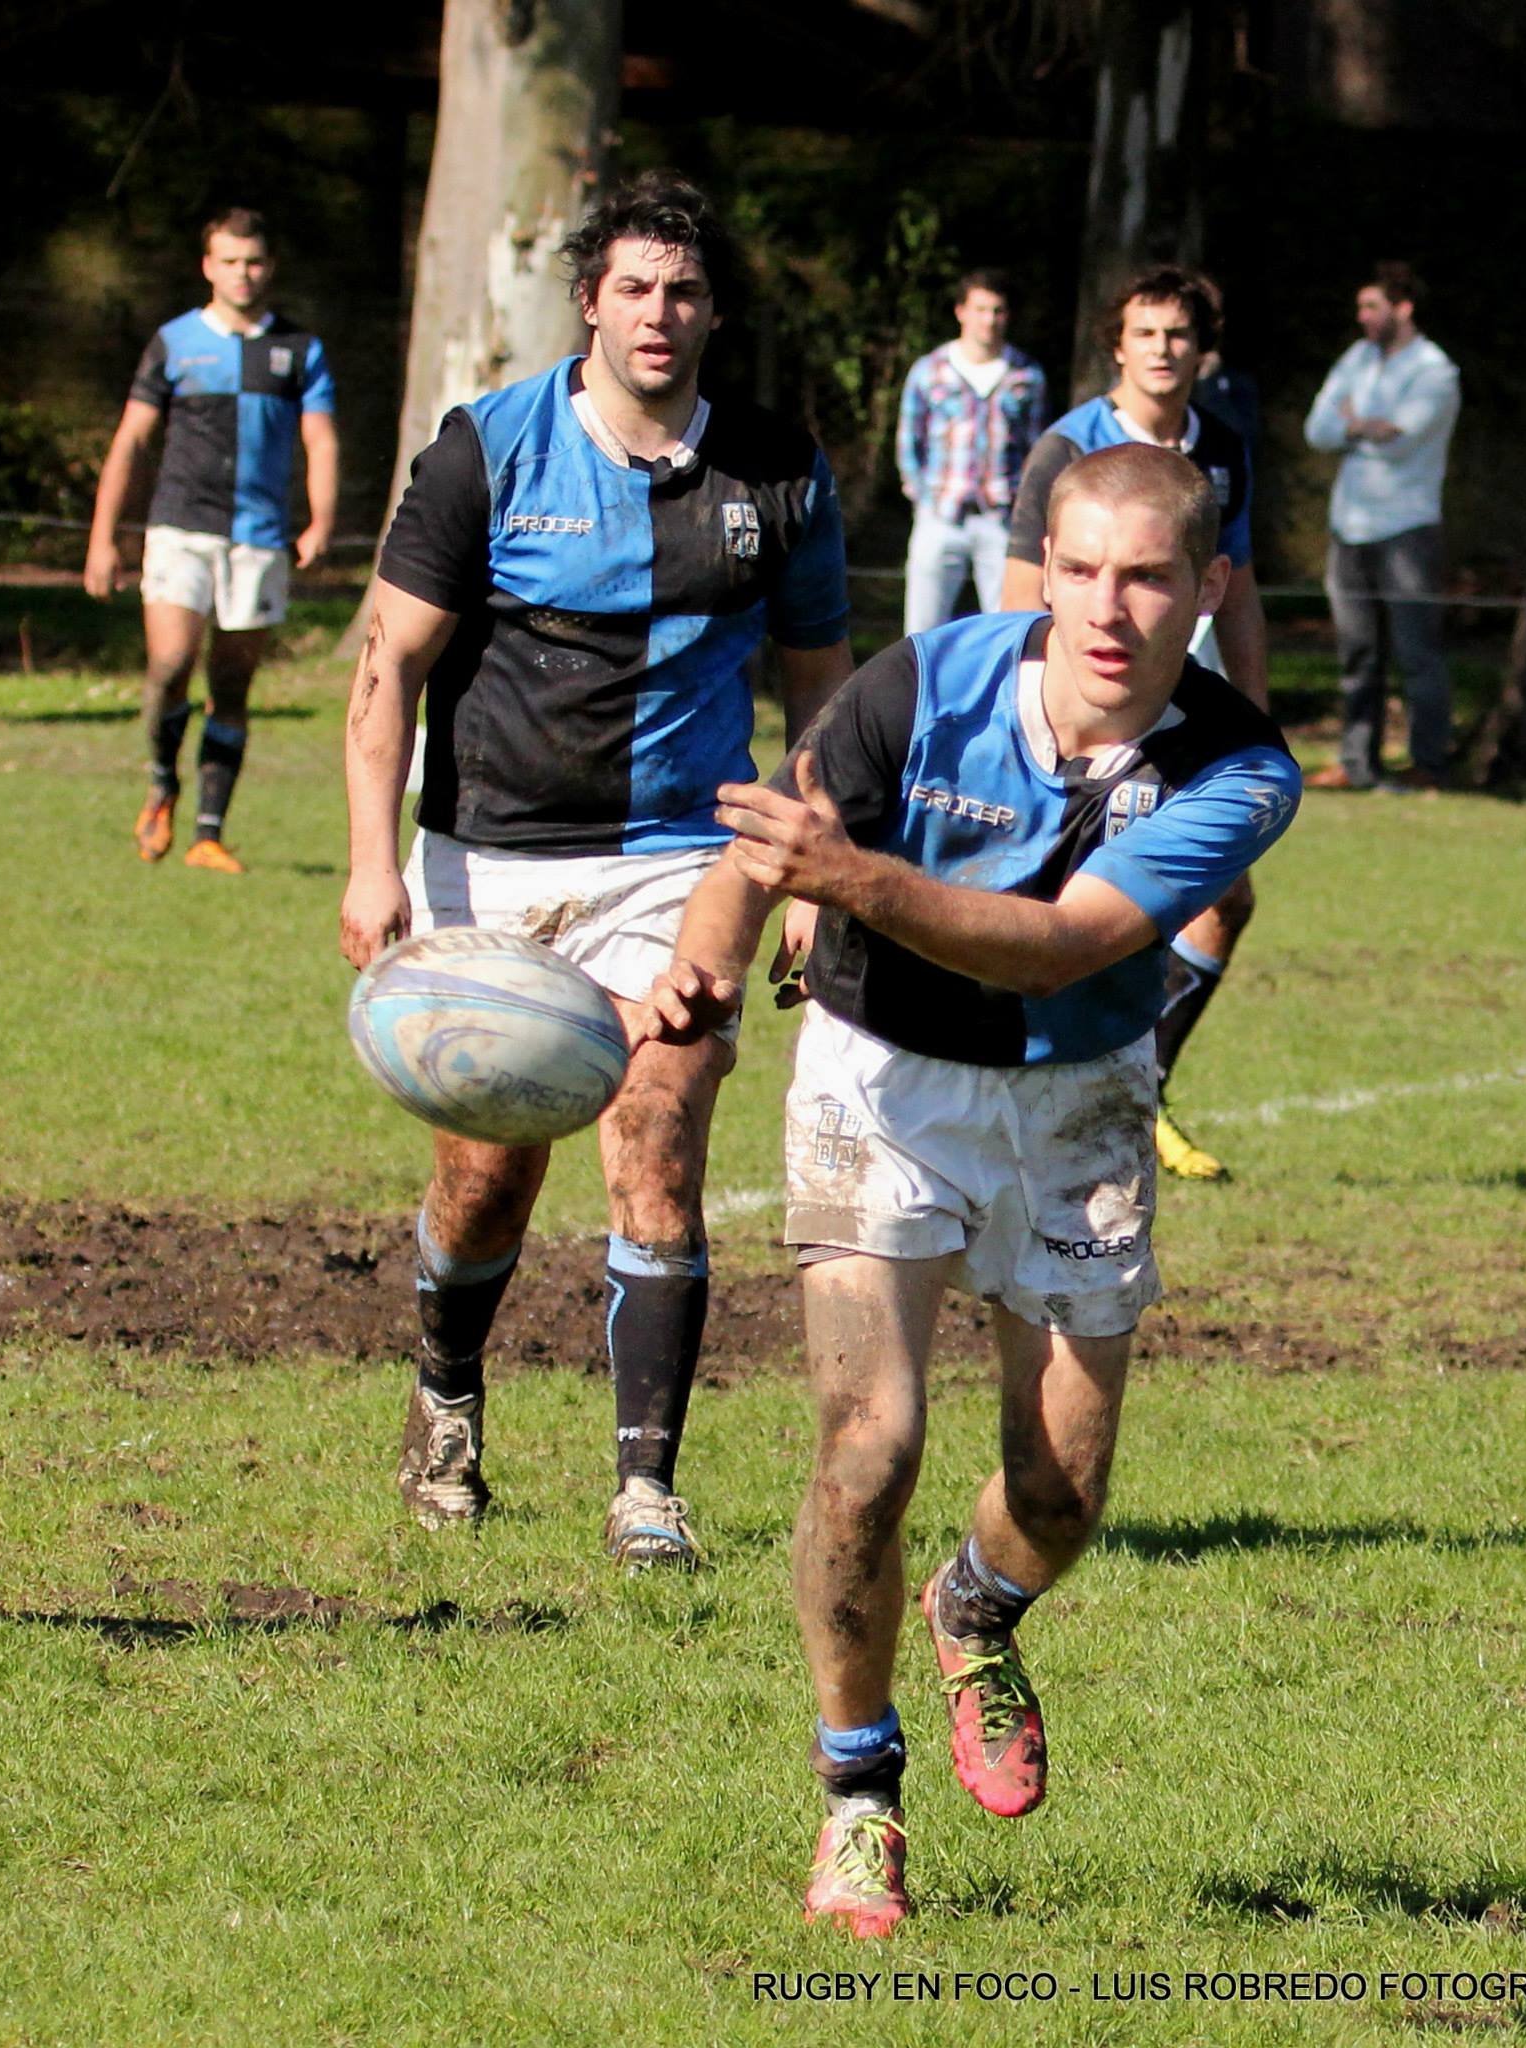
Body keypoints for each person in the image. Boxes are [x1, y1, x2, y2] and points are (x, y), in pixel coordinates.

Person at [638, 443, 1301, 1935]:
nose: (1107, 609)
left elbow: (1059, 947)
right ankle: (855, 1800)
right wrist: (705, 961)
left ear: (1206, 587)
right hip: (877, 1082)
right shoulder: (924, 682)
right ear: (1043, 569)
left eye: (1146, 577)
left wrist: (849, 881)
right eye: (1080, 570)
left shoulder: (1242, 771)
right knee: (867, 1447)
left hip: (1079, 1098)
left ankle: (974, 1606)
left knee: (1058, 1492)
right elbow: (764, 849)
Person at [338, 173, 852, 1570]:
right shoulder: (488, 450)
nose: (656, 313)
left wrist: (808, 871)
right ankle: (448, 1394)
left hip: (683, 859)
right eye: (632, 287)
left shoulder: (776, 471)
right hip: (489, 866)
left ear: (714, 311)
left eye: (682, 291)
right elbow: (387, 664)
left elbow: (821, 691)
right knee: (485, 1180)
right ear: (588, 302)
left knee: (657, 1135)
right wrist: (373, 865)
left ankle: (645, 1491)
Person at [1003, 266, 1270, 1183]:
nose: (1162, 349)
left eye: (1177, 334)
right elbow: (1020, 592)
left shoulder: (1221, 446)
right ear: (1116, 345)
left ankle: (1140, 1089)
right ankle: (1023, 1089)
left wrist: (1254, 720)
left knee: (1224, 899)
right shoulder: (1068, 446)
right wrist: (1032, 721)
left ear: (1203, 350)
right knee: (1057, 903)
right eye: (1144, 332)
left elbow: (1239, 591)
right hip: (1076, 714)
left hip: (1180, 707)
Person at [84, 207, 338, 874]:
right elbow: (131, 441)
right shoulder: (174, 342)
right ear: (208, 267)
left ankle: (208, 833)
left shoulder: (299, 350)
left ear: (269, 266)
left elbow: (319, 440)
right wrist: (103, 539)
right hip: (179, 528)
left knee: (231, 683)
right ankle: (161, 783)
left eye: (253, 261)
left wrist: (320, 519)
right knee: (170, 665)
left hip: (258, 537)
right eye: (229, 261)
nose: (242, 273)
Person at [1303, 261, 1461, 791]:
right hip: (1349, 525)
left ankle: (1429, 762)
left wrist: (1353, 425)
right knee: (1357, 654)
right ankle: (1357, 762)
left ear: (1403, 308)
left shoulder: (1435, 371)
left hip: (1407, 528)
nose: (1363, 317)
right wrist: (1359, 428)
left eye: (1372, 306)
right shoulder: (1357, 359)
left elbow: (1401, 436)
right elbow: (1317, 430)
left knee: (1418, 654)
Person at [896, 270, 1047, 632]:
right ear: (961, 311)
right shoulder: (929, 370)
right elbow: (909, 442)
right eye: (980, 309)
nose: (989, 320)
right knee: (922, 630)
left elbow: (1037, 448)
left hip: (1001, 519)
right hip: (940, 516)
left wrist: (1022, 503)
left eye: (997, 311)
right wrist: (924, 498)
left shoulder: (1026, 375)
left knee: (1009, 627)